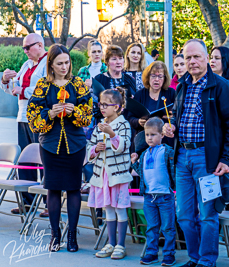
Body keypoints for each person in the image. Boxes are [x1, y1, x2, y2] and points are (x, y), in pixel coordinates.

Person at [163, 39, 229, 267]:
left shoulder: (221, 86)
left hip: (207, 160)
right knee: (184, 217)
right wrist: (171, 129)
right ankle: (194, 257)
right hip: (182, 158)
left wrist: (226, 159)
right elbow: (178, 117)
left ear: (207, 58)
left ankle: (207, 261)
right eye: (188, 58)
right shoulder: (182, 86)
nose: (192, 61)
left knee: (208, 215)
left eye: (197, 56)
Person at [26, 44, 93, 252]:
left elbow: (88, 116)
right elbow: (33, 119)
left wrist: (74, 112)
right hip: (50, 144)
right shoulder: (42, 86)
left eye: (67, 62)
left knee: (73, 189)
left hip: (75, 144)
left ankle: (72, 236)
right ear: (51, 65)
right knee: (53, 189)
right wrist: (50, 114)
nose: (64, 67)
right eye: (59, 63)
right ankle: (55, 235)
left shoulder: (78, 84)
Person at [1, 33, 48, 217]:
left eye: (28, 47)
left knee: (43, 161)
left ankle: (48, 202)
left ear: (40, 45)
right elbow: (14, 86)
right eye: (23, 48)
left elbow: (48, 90)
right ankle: (27, 203)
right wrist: (6, 79)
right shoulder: (26, 64)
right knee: (25, 161)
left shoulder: (48, 64)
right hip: (23, 116)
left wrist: (25, 91)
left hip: (40, 118)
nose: (25, 51)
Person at [87, 87, 132, 260]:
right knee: (108, 210)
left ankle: (121, 245)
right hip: (102, 176)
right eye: (100, 104)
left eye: (106, 105)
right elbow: (89, 148)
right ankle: (110, 243)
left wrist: (111, 134)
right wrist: (94, 150)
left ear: (118, 107)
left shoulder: (123, 124)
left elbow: (124, 146)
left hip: (117, 177)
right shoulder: (99, 125)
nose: (102, 108)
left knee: (120, 210)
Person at [131, 117, 176, 266]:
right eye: (147, 135)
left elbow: (174, 170)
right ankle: (151, 253)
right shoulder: (144, 154)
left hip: (165, 196)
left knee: (168, 227)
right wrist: (134, 163)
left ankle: (169, 254)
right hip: (149, 197)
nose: (149, 138)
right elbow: (142, 173)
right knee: (151, 227)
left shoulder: (167, 151)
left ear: (162, 135)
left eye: (153, 134)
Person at [77, 39, 107, 225]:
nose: (96, 54)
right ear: (89, 53)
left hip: (103, 115)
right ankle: (91, 189)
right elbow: (78, 94)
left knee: (103, 154)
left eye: (99, 51)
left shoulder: (105, 71)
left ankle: (104, 207)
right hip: (88, 117)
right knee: (90, 153)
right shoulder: (83, 72)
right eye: (93, 51)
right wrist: (86, 87)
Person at [94, 45, 137, 151]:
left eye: (121, 58)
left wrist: (131, 100)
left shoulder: (129, 79)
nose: (119, 62)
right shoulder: (99, 79)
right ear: (107, 62)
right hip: (106, 127)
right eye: (114, 59)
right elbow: (95, 108)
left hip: (126, 127)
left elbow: (136, 106)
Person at [131, 61, 176, 150]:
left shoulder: (171, 93)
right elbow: (130, 117)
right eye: (153, 76)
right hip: (145, 143)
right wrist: (138, 121)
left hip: (165, 143)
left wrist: (168, 121)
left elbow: (177, 116)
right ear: (148, 77)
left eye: (160, 76)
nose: (156, 79)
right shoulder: (139, 95)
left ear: (165, 78)